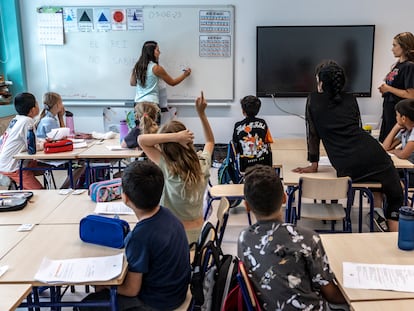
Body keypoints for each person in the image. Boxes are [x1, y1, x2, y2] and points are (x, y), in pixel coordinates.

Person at [293, 60, 403, 232]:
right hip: (374, 153)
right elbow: (357, 127)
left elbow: (313, 134)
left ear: (321, 82)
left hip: (346, 163)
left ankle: (377, 216)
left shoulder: (313, 100)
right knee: (396, 195)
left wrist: (313, 164)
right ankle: (386, 227)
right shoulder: (350, 98)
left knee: (378, 186)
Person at [78, 161, 191, 311]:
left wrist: (103, 283)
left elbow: (131, 290)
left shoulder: (139, 237)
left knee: (87, 304)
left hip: (158, 303)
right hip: (177, 292)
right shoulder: (168, 214)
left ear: (124, 198)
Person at [238, 165, 347, 310]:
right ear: (284, 198)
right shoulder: (307, 239)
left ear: (247, 206)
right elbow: (331, 294)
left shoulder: (244, 239)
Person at [138, 91, 214, 244]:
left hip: (172, 238)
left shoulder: (166, 167)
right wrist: (201, 114)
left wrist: (175, 137)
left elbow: (141, 140)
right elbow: (210, 141)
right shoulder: (203, 165)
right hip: (197, 237)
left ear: (164, 148)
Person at [130, 40, 191, 123]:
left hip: (138, 105)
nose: (159, 52)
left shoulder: (137, 66)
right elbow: (172, 83)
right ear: (151, 52)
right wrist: (184, 75)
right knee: (154, 132)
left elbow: (132, 83)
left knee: (140, 132)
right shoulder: (156, 68)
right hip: (152, 105)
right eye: (157, 50)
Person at [0, 92, 45, 189]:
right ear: (32, 110)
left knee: (46, 166)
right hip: (13, 166)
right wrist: (45, 144)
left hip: (7, 162)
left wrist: (42, 141)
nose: (38, 106)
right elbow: (33, 147)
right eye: (37, 104)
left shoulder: (16, 119)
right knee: (39, 192)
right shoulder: (27, 121)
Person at [378, 32, 414, 142]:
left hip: (398, 113)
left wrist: (389, 89)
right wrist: (385, 90)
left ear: (403, 46)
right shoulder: (397, 65)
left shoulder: (409, 66)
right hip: (389, 111)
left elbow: (411, 94)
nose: (392, 49)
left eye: (395, 45)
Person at [232, 95, 273, 172]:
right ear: (258, 110)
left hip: (245, 166)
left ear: (243, 111)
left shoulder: (238, 125)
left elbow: (235, 146)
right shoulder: (263, 123)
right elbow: (268, 141)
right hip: (264, 164)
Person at [382, 99, 414, 187]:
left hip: (411, 173)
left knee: (388, 182)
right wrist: (395, 128)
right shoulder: (405, 130)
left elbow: (404, 154)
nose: (396, 118)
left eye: (397, 115)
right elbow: (386, 147)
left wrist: (395, 151)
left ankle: (401, 198)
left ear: (403, 118)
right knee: (382, 176)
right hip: (406, 170)